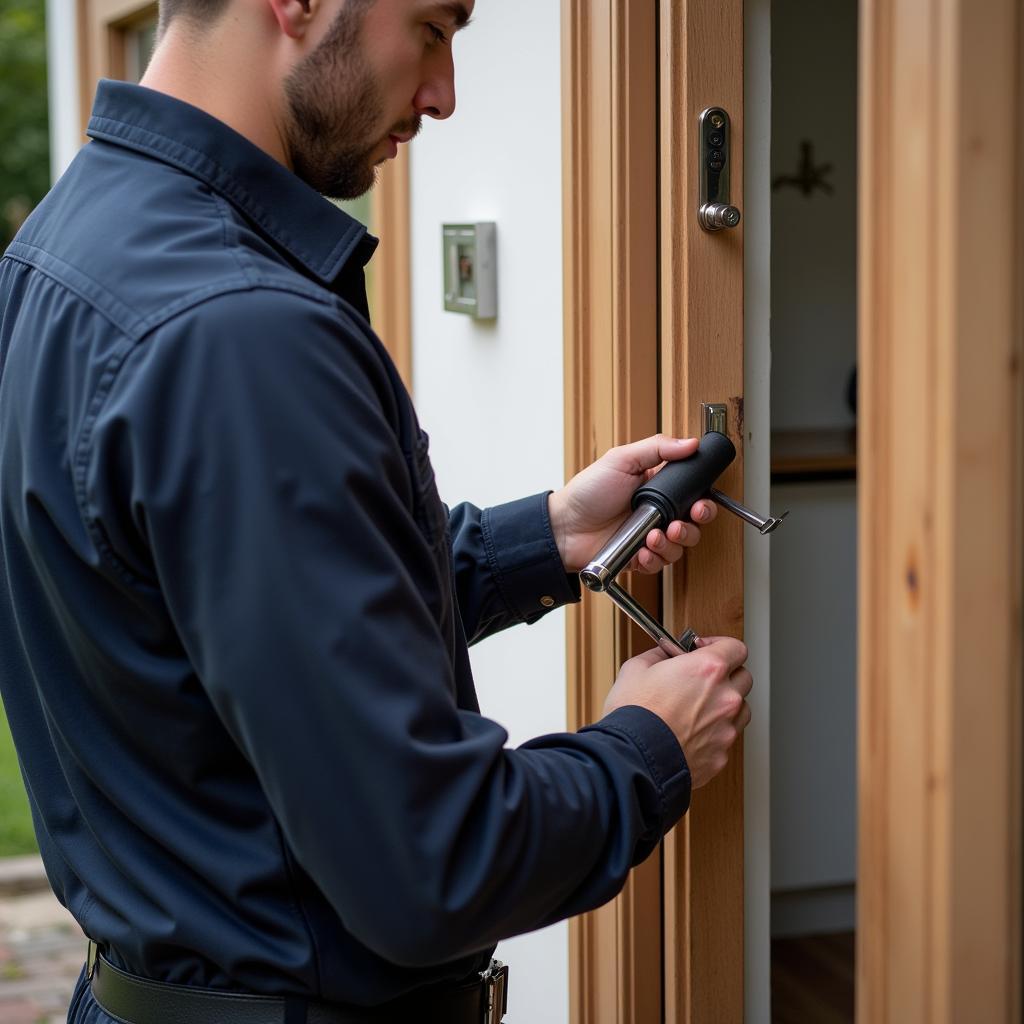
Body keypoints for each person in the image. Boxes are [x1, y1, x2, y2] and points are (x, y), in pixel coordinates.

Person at [0, 1, 753, 1021]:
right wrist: (647, 746)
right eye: (435, 30)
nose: (444, 96)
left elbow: (232, 610)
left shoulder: (60, 249)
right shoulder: (239, 331)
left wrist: (550, 536)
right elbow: (431, 864)